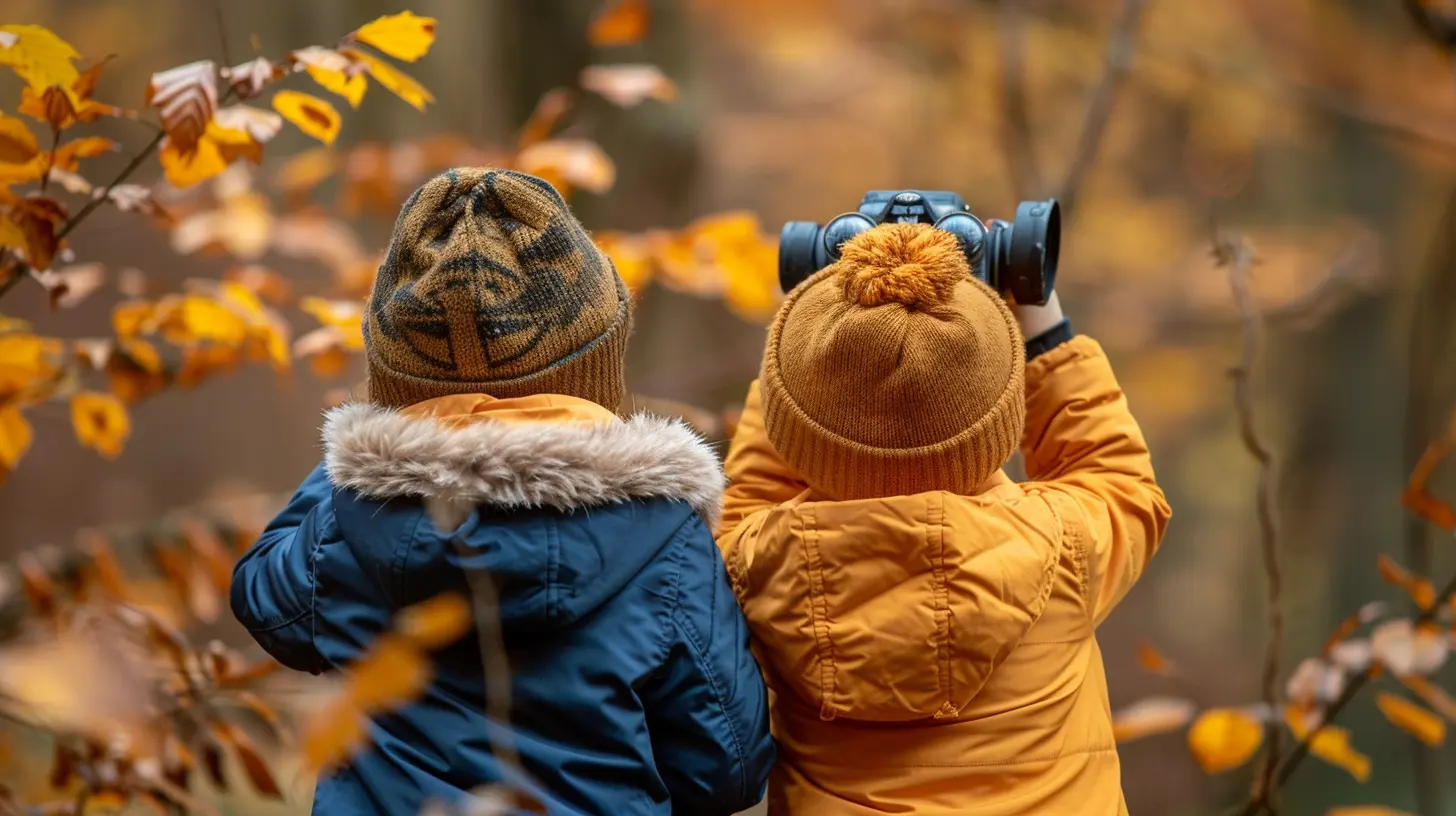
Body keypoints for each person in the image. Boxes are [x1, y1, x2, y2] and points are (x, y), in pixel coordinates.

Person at [231, 168, 775, 816]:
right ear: (595, 369)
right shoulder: (665, 540)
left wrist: (355, 461)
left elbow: (263, 599)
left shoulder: (345, 531)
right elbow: (728, 768)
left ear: (394, 386)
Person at [716, 222, 1171, 815]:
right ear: (1002, 419)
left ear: (792, 429)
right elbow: (1120, 477)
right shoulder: (1064, 545)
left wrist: (813, 343)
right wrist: (1041, 314)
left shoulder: (755, 567)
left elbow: (752, 490)